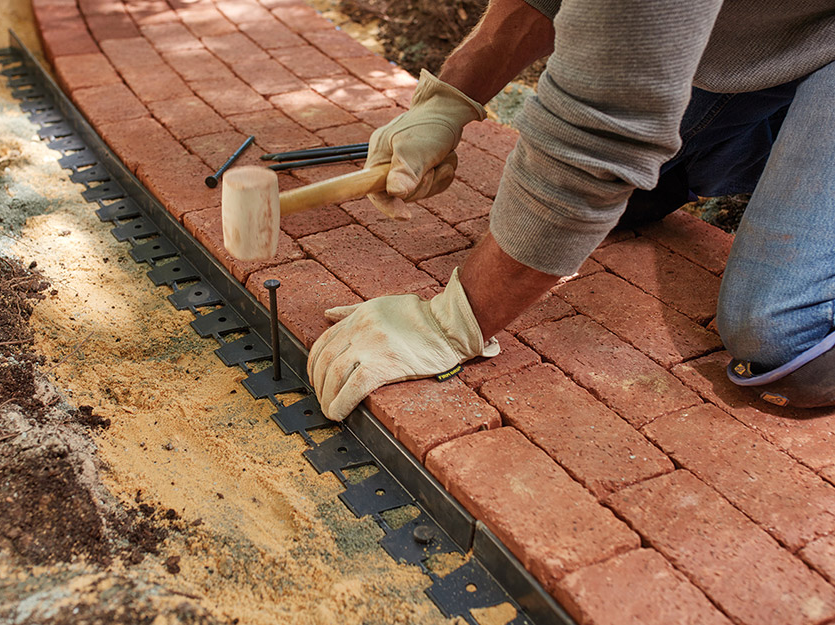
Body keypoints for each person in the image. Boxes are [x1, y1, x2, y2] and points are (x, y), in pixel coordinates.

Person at [307, 0, 835, 420]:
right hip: (779, 26)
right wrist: (446, 102)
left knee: (784, 340)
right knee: (614, 201)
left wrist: (454, 323)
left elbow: (601, 133)